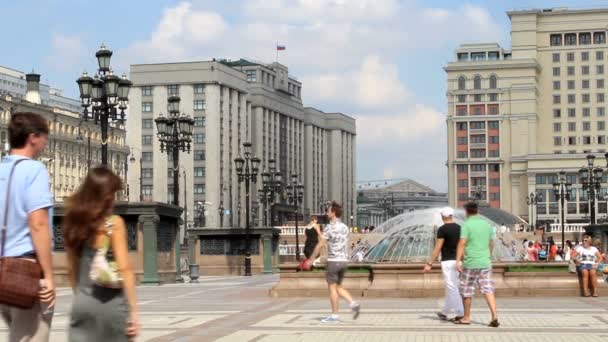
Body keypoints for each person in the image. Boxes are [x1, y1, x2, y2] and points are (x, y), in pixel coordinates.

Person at [63, 167, 139, 341]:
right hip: (110, 305)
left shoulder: (72, 222)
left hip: (82, 304)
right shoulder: (114, 224)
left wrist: (82, 296)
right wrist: (134, 312)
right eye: (112, 193)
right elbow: (125, 269)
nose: (114, 199)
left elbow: (72, 270)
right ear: (105, 195)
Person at [0, 112, 55, 342]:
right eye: (44, 137)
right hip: (25, 271)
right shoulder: (34, 170)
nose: (45, 143)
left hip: (2, 272)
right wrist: (49, 276)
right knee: (33, 336)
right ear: (33, 137)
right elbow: (38, 222)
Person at [307, 201, 360, 323]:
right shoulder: (345, 227)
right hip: (343, 261)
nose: (327, 213)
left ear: (333, 213)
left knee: (332, 288)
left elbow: (321, 244)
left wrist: (311, 259)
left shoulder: (330, 227)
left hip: (333, 261)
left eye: (328, 211)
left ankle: (334, 316)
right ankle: (353, 304)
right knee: (338, 286)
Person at [455, 201, 499, 327]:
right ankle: (494, 316)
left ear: (466, 212)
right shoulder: (486, 224)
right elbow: (491, 243)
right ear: (477, 211)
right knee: (488, 289)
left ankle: (467, 317)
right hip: (485, 263)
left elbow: (462, 243)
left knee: (467, 290)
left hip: (470, 263)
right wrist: (488, 256)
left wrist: (458, 260)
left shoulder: (466, 225)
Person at [423, 207, 464, 321]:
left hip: (447, 261)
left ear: (442, 217)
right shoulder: (460, 228)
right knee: (451, 286)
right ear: (452, 216)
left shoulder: (442, 229)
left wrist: (429, 263)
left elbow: (437, 248)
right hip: (458, 261)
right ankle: (445, 312)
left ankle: (460, 312)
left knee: (452, 287)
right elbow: (463, 246)